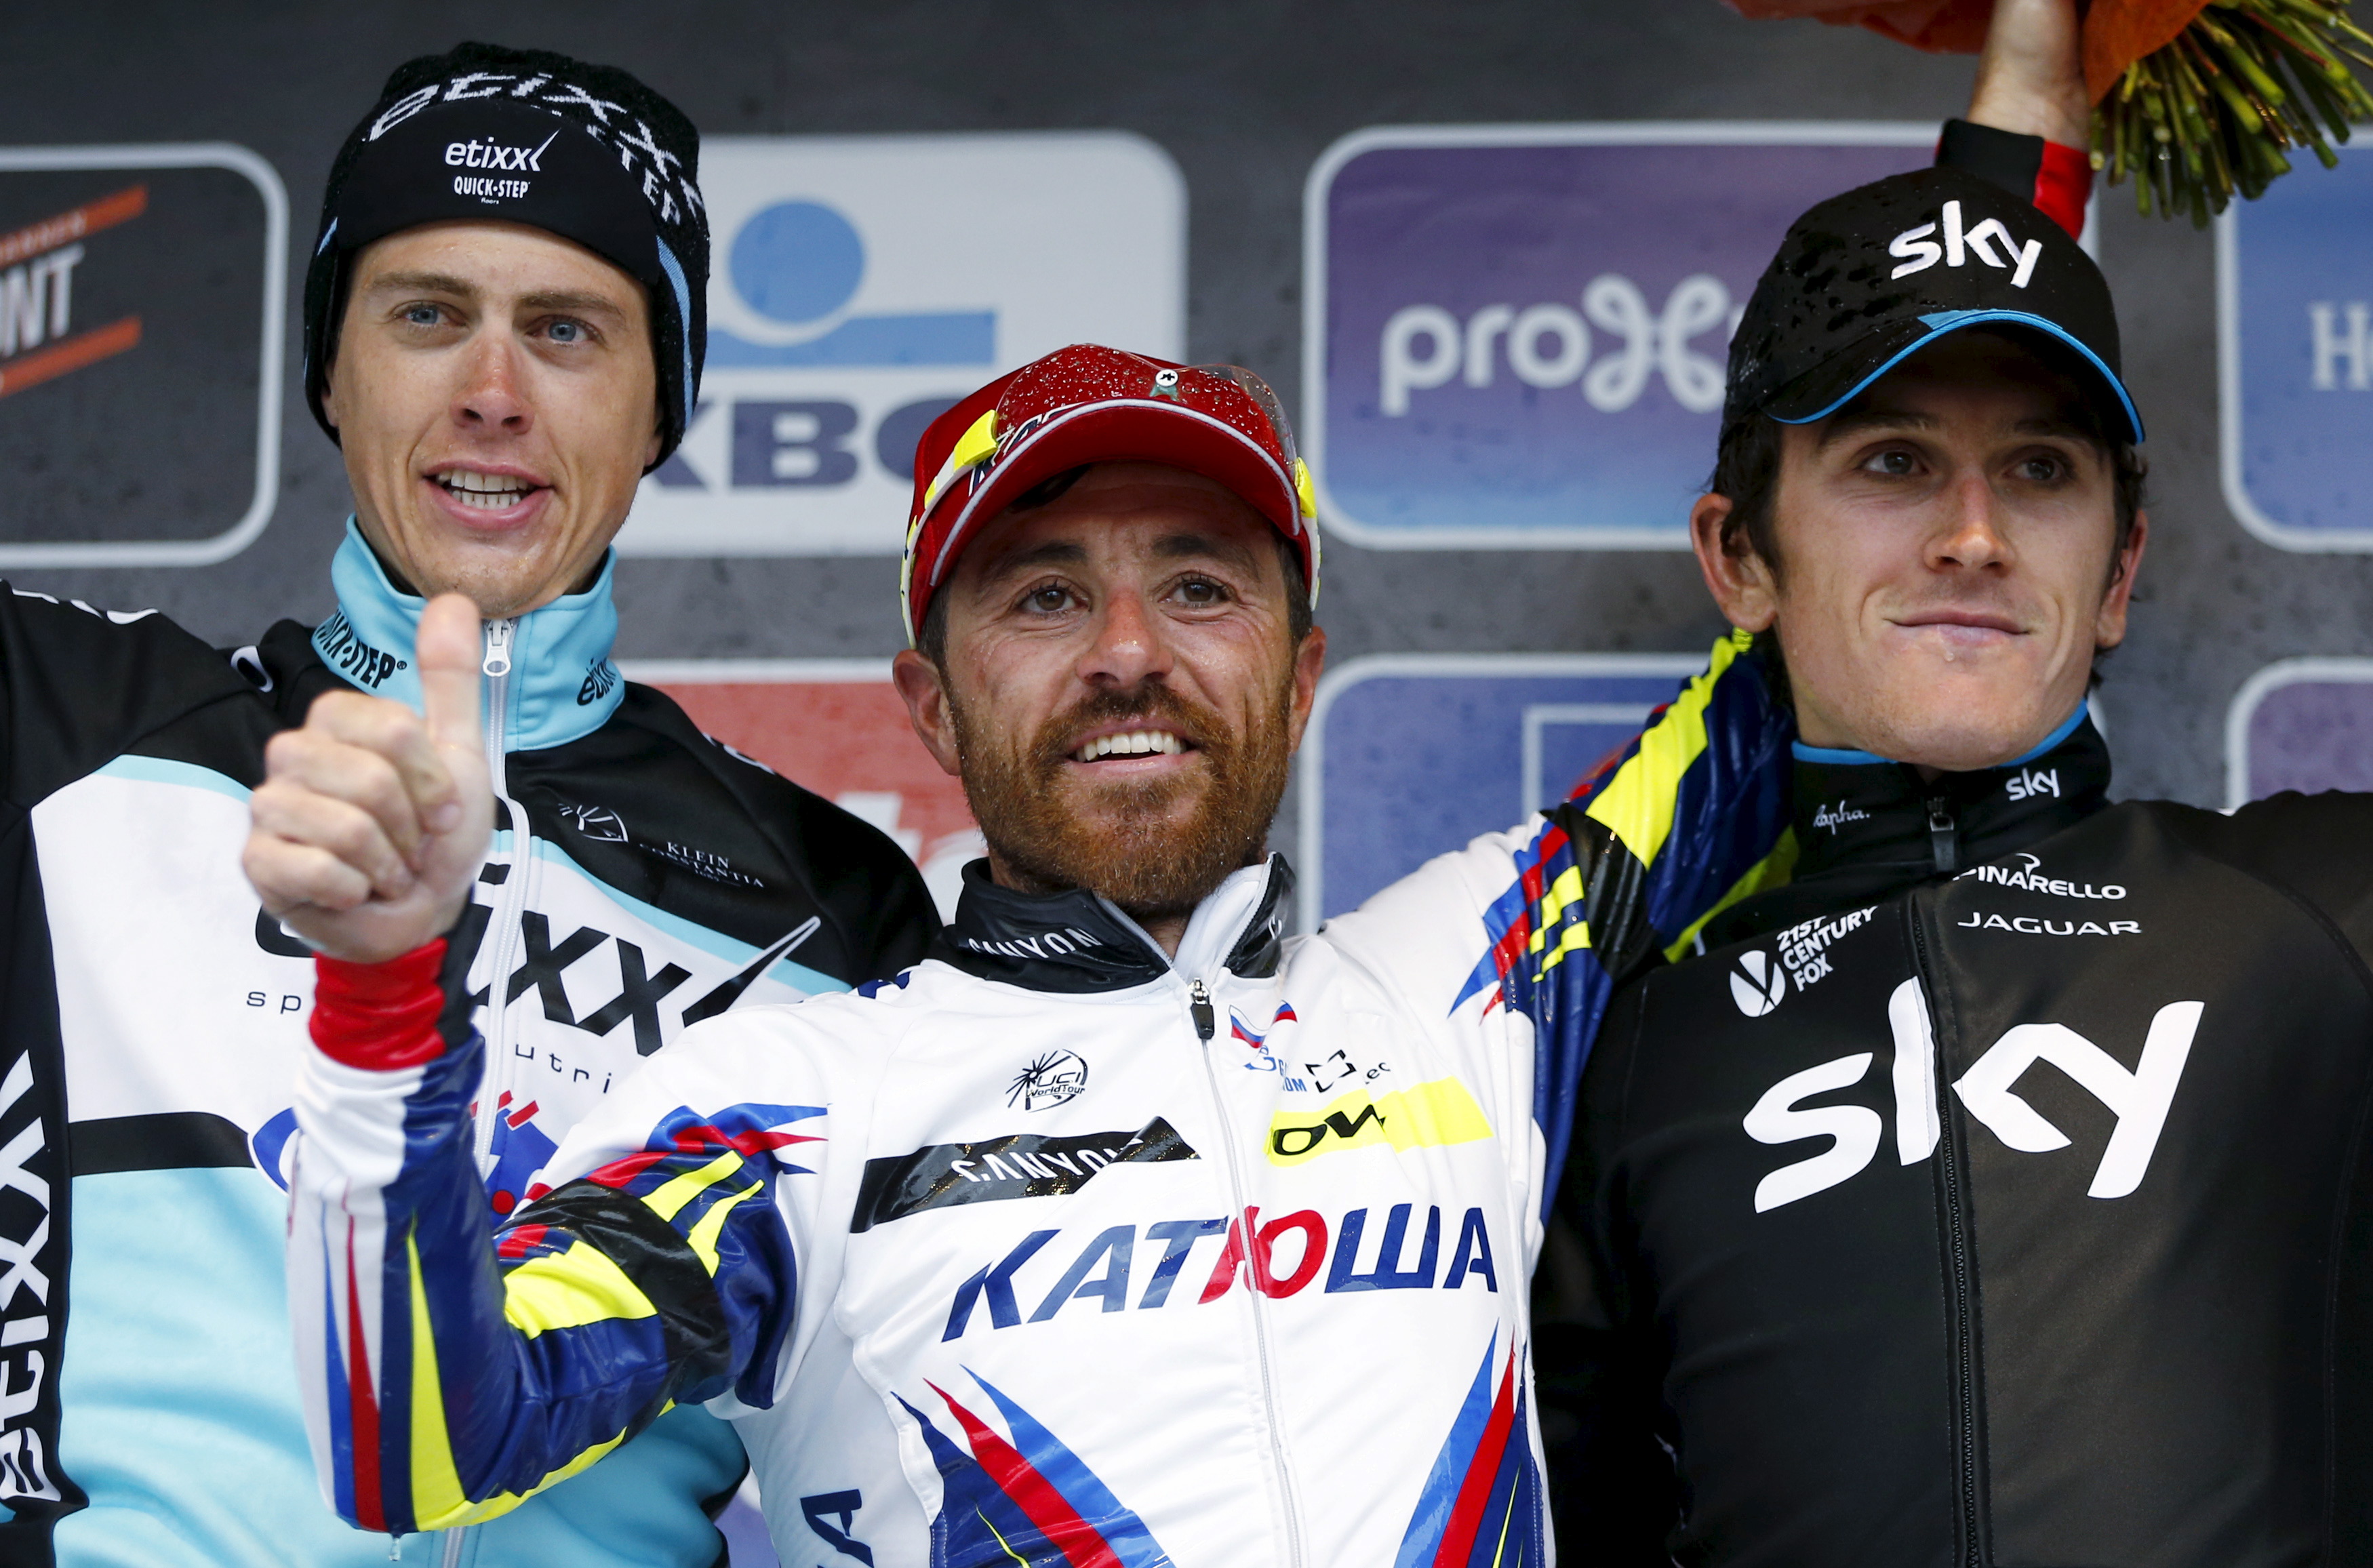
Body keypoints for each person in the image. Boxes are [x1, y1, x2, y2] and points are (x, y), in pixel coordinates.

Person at [245, 336, 1797, 1564]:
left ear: (1304, 666)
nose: (1129, 648)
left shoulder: (1471, 970)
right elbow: (417, 1445)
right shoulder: (795, 1097)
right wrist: (384, 993)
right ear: (930, 703)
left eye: (1198, 583)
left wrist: (2024, 139)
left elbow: (1838, 628)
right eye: (1046, 593)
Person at [0, 41, 935, 1568]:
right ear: (330, 367)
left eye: (565, 329)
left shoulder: (832, 903)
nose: (491, 393)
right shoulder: (56, 723)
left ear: (661, 408)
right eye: (427, 315)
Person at [1540, 3, 2373, 1563]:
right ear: (1738, 557)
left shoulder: (2322, 912)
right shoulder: (1625, 1049)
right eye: (1891, 462)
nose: (1975, 532)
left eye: (2042, 471)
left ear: (2119, 571)